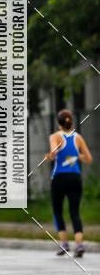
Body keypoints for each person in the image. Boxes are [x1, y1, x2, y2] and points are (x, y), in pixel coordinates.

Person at [44, 109, 92, 257]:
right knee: (74, 212)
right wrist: (76, 157)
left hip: (60, 178)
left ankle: (64, 244)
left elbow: (54, 153)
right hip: (75, 178)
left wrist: (49, 157)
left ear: (59, 124)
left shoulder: (55, 136)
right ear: (71, 122)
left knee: (58, 211)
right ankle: (79, 245)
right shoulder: (78, 138)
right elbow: (89, 158)